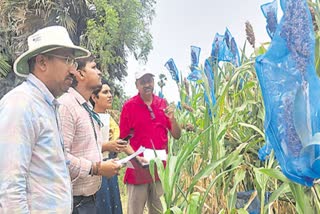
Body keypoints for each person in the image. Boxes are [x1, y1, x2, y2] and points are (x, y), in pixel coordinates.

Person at [0, 25, 91, 213]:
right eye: (68, 60)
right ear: (42, 62)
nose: (73, 71)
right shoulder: (21, 104)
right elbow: (10, 187)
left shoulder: (48, 105)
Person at [58, 55, 122, 213]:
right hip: (75, 202)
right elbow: (60, 157)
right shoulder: (67, 106)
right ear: (80, 74)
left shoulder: (85, 108)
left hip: (90, 199)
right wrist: (97, 168)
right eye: (93, 67)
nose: (99, 72)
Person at [119, 68, 181, 214]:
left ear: (153, 82)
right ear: (137, 85)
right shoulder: (129, 107)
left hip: (160, 170)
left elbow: (177, 135)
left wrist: (173, 119)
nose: (147, 85)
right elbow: (122, 141)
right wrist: (136, 158)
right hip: (137, 171)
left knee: (160, 211)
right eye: (143, 82)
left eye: (149, 81)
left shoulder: (162, 104)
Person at [90, 78, 126, 214]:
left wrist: (135, 156)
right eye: (105, 92)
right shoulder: (90, 119)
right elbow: (84, 149)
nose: (110, 95)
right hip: (98, 171)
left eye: (110, 92)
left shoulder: (109, 119)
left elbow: (116, 143)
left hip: (111, 171)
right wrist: (107, 146)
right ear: (94, 97)